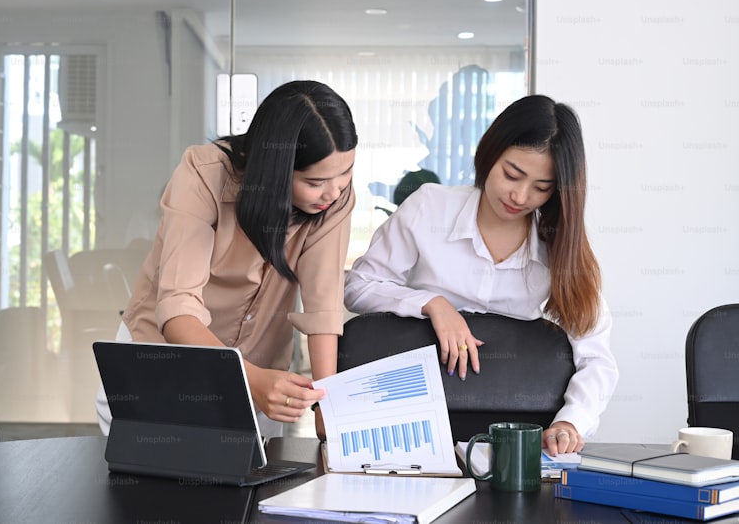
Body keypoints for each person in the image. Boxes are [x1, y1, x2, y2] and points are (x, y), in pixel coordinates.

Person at [344, 94, 618, 456]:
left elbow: (596, 356)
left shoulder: (560, 248)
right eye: (512, 174)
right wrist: (433, 304)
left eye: (541, 187)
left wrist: (571, 421)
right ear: (491, 152)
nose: (520, 196)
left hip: (516, 436)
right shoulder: (430, 207)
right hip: (414, 422)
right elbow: (358, 287)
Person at [95, 80, 358, 439]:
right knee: (155, 491)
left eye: (346, 174)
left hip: (261, 375)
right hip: (162, 365)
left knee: (252, 489)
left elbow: (323, 308)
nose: (335, 191)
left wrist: (329, 407)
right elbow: (177, 309)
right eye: (315, 182)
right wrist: (250, 379)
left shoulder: (334, 197)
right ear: (275, 169)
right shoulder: (204, 173)